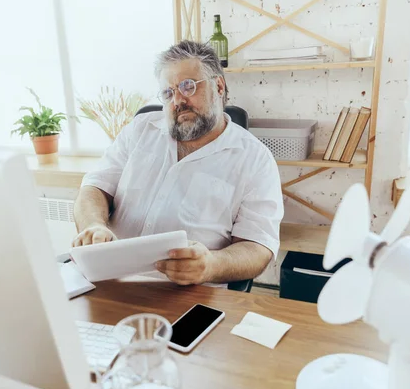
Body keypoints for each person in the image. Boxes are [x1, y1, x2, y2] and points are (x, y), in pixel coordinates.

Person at [72, 40, 284, 286]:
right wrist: (94, 226)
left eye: (188, 86)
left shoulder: (255, 159)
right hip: (110, 281)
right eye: (168, 92)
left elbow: (258, 247)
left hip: (189, 293)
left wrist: (211, 265)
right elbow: (94, 188)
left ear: (218, 86)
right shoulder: (141, 130)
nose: (178, 100)